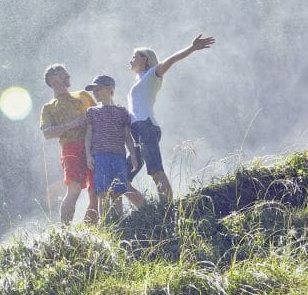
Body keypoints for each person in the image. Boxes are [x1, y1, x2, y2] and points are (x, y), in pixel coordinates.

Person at [126, 34, 215, 203]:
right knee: (122, 178)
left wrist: (192, 48)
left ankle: (166, 212)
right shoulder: (139, 80)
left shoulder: (152, 73)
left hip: (146, 126)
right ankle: (148, 211)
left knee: (155, 171)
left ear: (144, 59)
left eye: (134, 56)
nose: (130, 60)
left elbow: (171, 60)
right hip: (137, 131)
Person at [40, 64, 98, 225]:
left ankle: (90, 232)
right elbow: (47, 133)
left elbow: (99, 115)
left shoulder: (83, 95)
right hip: (70, 147)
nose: (68, 75)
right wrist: (72, 124)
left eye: (67, 72)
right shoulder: (49, 107)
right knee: (74, 189)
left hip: (94, 146)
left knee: (96, 191)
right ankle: (66, 233)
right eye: (62, 74)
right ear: (52, 80)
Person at [84, 75, 145, 224]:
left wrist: (133, 155)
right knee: (103, 193)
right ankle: (105, 225)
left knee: (118, 192)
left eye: (98, 89)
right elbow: (88, 135)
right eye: (94, 90)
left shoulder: (122, 111)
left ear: (110, 89)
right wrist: (88, 156)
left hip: (118, 156)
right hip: (100, 156)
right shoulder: (92, 111)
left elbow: (127, 136)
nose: (95, 93)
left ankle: (119, 224)